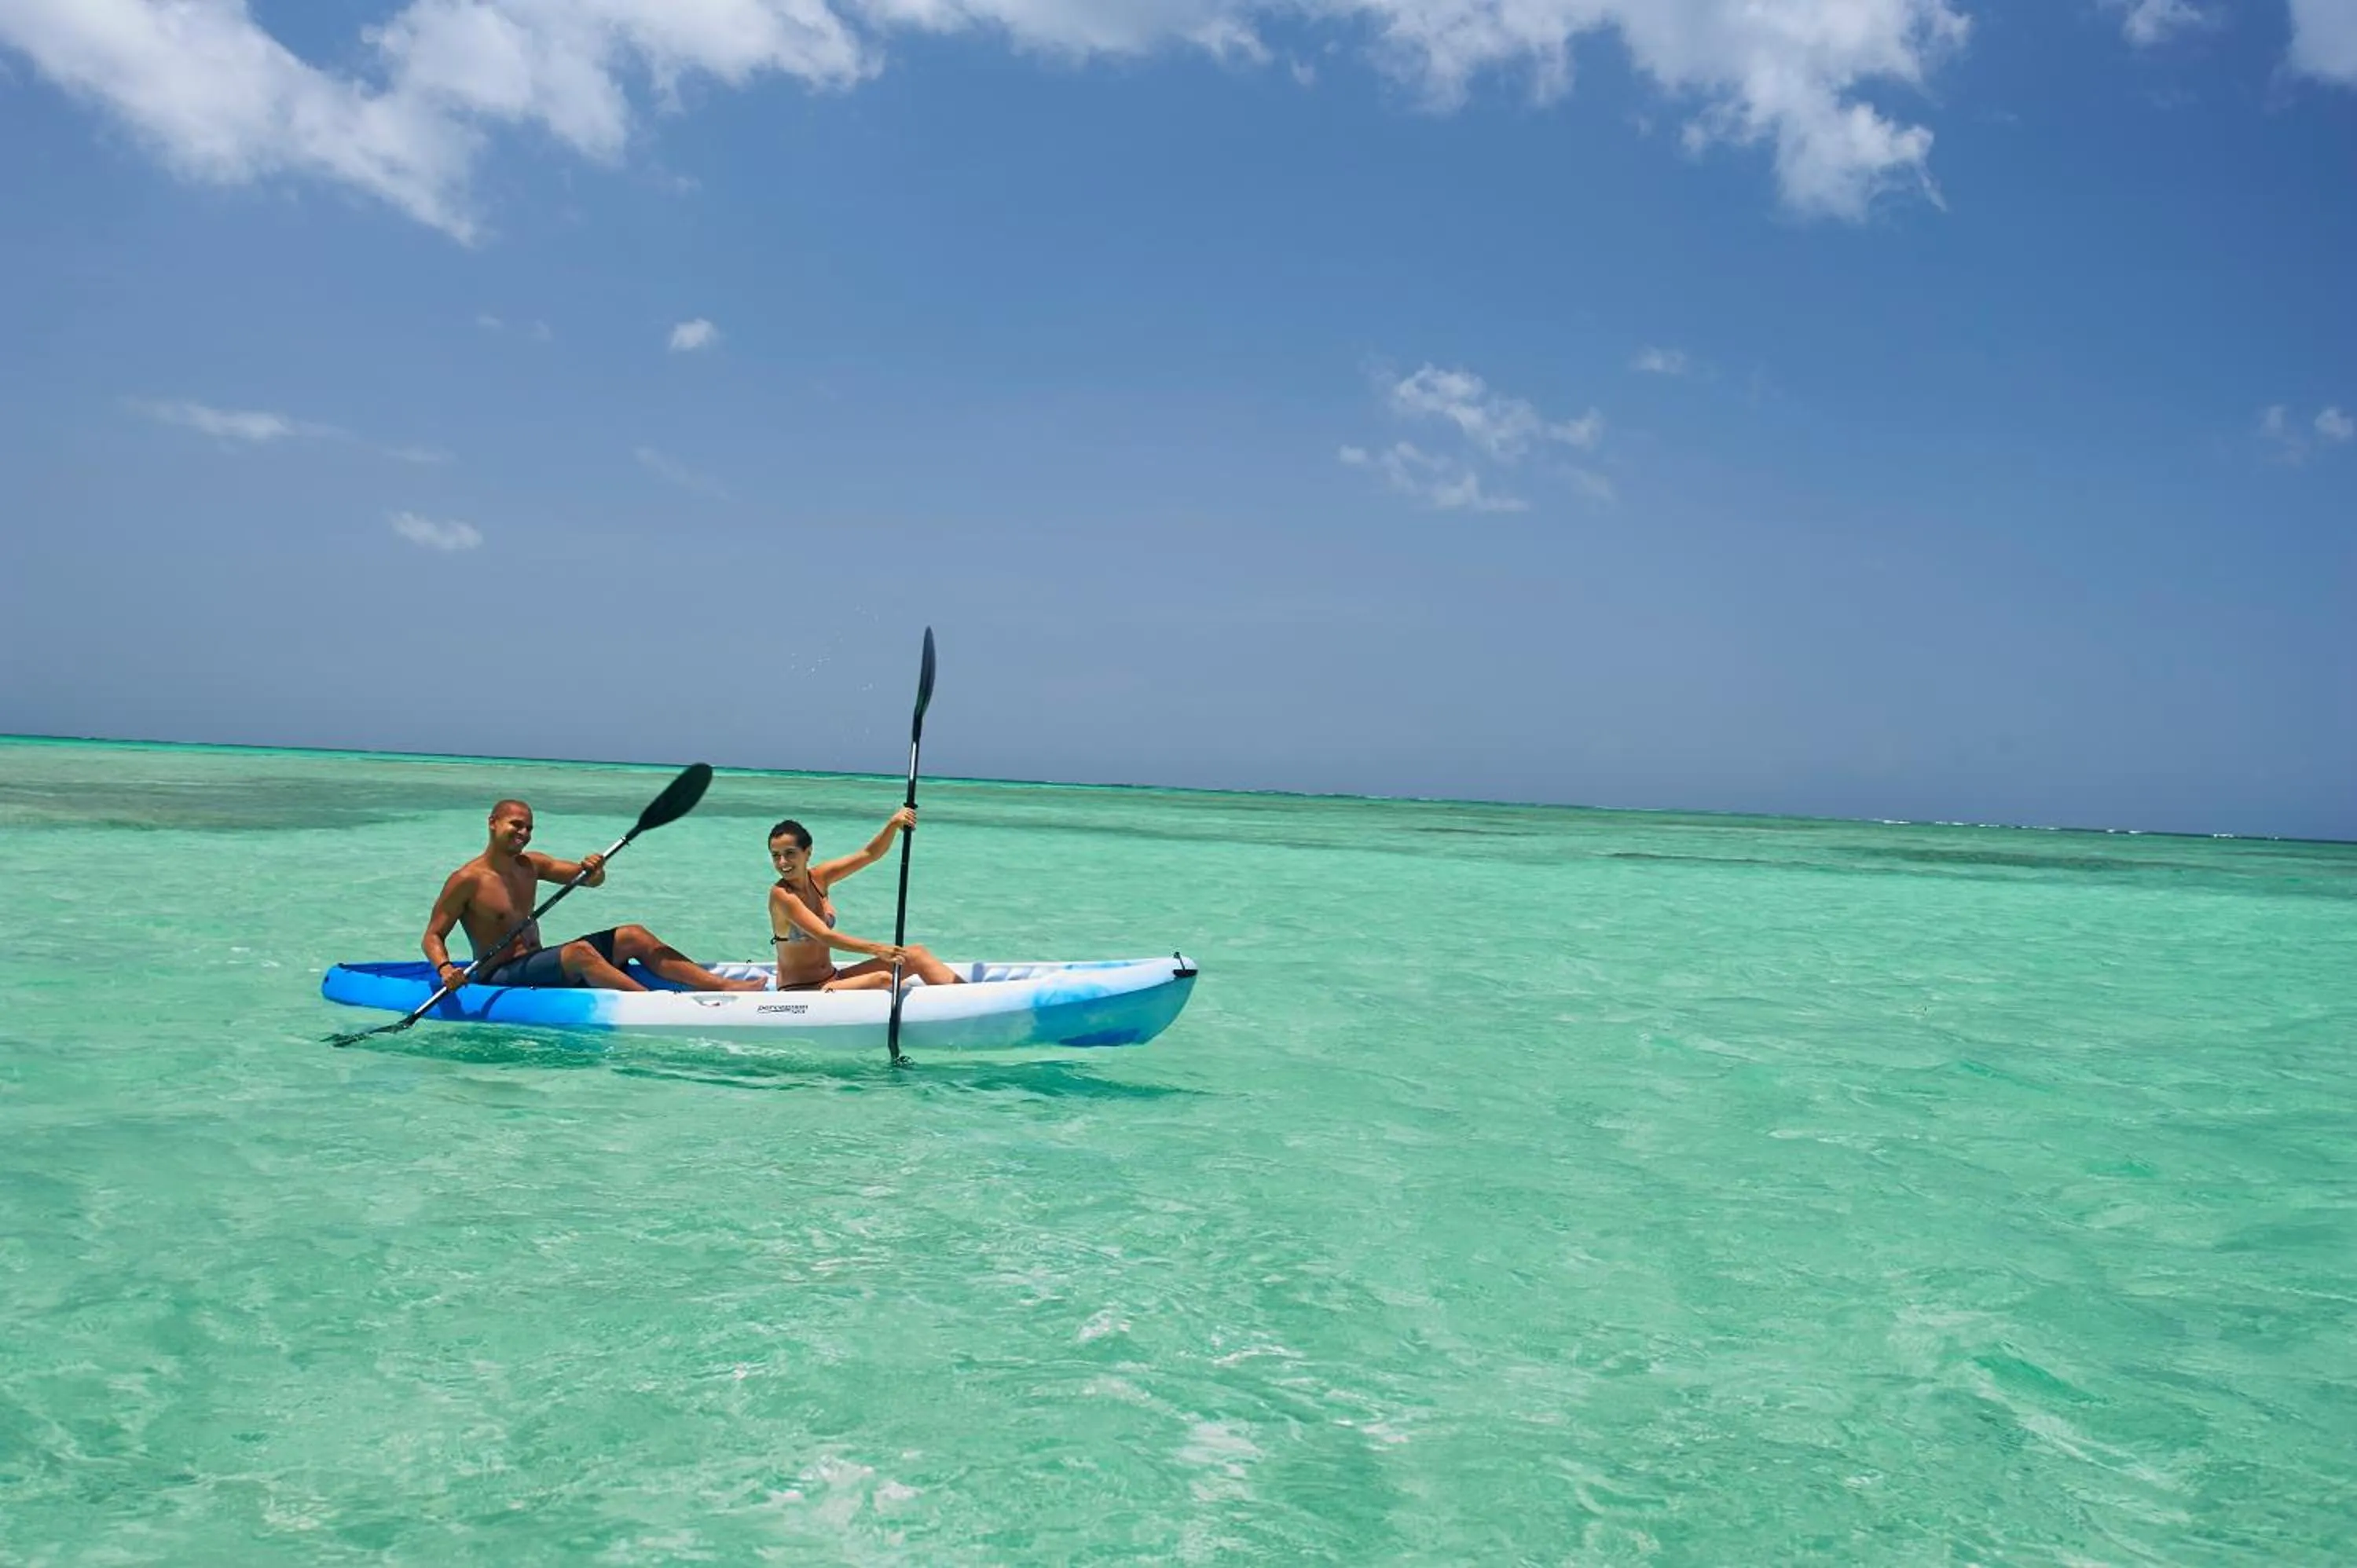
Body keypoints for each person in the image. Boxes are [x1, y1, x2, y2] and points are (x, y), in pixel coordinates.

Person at [423, 798, 761, 992]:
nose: (523, 834)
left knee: (633, 935)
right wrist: (445, 968)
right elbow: (433, 935)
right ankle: (650, 1002)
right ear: (493, 822)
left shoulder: (531, 865)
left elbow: (589, 881)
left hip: (536, 961)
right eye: (516, 825)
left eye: (529, 828)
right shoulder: (467, 880)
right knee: (581, 953)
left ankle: (719, 986)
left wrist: (594, 868)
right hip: (499, 973)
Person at [768, 808, 967, 991]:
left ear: (808, 852)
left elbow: (869, 854)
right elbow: (825, 936)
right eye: (776, 855)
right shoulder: (782, 895)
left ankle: (969, 998)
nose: (782, 862)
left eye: (790, 853)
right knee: (883, 980)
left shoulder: (820, 878)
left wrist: (893, 825)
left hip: (833, 978)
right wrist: (878, 949)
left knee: (916, 954)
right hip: (803, 991)